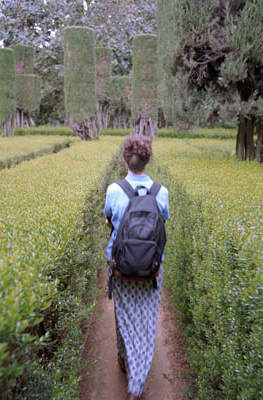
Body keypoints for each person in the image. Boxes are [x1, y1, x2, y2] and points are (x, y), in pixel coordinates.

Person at [104, 134, 170, 400]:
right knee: (145, 323)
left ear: (124, 159)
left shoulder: (113, 190)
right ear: (149, 159)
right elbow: (162, 221)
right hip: (151, 270)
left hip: (120, 267)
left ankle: (126, 363)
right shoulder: (161, 192)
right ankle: (137, 380)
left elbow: (109, 219)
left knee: (125, 316)